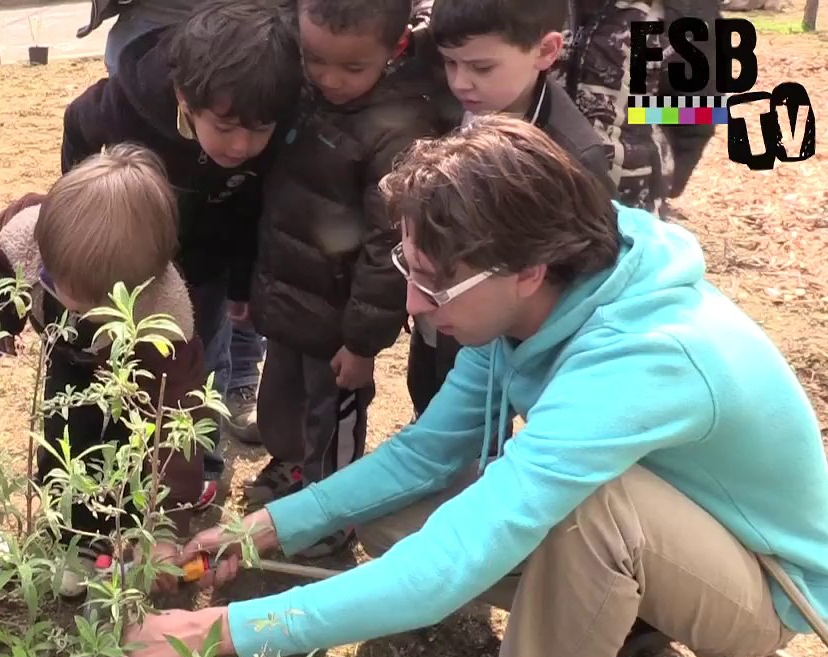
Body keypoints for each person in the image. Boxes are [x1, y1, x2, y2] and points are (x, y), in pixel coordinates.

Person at [122, 117, 828, 657]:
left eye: (434, 282)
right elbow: (423, 455)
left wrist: (226, 631)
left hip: (761, 583)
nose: (413, 305)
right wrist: (261, 527)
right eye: (409, 266)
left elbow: (453, 562)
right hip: (662, 524)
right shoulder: (531, 303)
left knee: (595, 508)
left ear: (526, 269)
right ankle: (610, 612)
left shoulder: (646, 356)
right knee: (387, 509)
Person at [59, 0, 303, 484]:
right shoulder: (129, 105)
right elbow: (77, 124)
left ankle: (203, 465)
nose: (239, 147)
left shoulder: (274, 116)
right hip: (134, 262)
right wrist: (83, 205)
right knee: (129, 361)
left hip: (206, 265)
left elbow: (252, 212)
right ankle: (131, 460)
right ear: (183, 100)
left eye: (258, 131)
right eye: (225, 127)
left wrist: (240, 287)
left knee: (201, 357)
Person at [242, 0, 441, 559]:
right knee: (280, 397)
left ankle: (335, 512)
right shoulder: (296, 91)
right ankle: (292, 467)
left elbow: (388, 250)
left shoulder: (399, 129)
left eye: (352, 68)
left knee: (333, 414)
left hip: (340, 322)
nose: (330, 79)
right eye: (316, 60)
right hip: (285, 294)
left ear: (395, 47)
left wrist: (362, 343)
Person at [0, 144, 215, 595]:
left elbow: (178, 427)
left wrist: (166, 526)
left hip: (135, 383)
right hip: (68, 358)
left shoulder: (166, 322)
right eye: (59, 284)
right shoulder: (28, 239)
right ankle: (69, 541)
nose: (72, 301)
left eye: (95, 300)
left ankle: (129, 540)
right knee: (63, 440)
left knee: (127, 450)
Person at [406, 0, 615, 418]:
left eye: (481, 68)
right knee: (428, 392)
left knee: (472, 425)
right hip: (441, 306)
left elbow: (579, 271)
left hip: (500, 332)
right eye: (450, 63)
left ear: (546, 51)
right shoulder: (451, 103)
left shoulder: (569, 156)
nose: (461, 82)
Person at [555, 0, 722, 214]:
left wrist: (634, 114)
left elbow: (699, 112)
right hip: (532, 190)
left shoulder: (686, 13)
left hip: (629, 204)